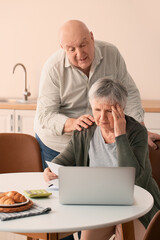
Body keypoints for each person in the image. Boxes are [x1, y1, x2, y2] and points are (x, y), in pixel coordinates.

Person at [34, 19, 160, 170]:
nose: (80, 54)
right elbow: (46, 114)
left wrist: (139, 129)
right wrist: (72, 123)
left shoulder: (111, 54)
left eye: (83, 44)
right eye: (71, 49)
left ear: (92, 37)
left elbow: (130, 93)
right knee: (58, 190)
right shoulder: (53, 68)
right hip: (57, 143)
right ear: (62, 48)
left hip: (96, 140)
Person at [43, 78, 160, 240]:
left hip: (136, 204)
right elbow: (62, 161)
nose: (102, 118)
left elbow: (135, 178)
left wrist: (120, 135)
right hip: (100, 205)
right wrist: (49, 170)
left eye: (109, 111)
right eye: (97, 109)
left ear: (122, 109)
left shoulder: (137, 132)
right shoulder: (84, 130)